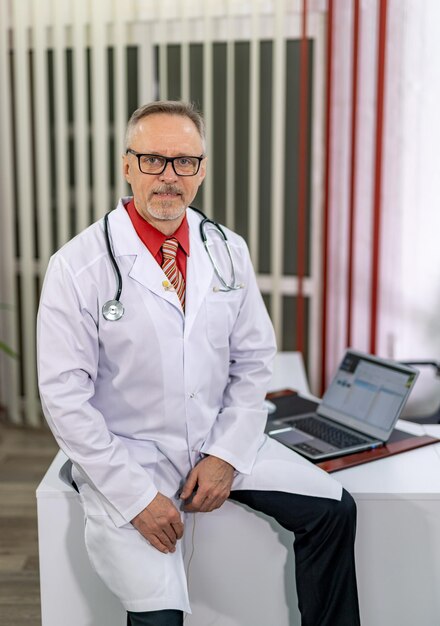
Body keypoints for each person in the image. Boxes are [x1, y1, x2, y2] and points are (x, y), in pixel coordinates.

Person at [37, 100, 360, 626]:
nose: (169, 177)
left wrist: (227, 454)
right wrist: (136, 497)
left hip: (216, 438)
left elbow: (254, 361)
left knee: (334, 511)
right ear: (127, 165)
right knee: (160, 616)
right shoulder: (78, 266)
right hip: (128, 456)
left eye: (184, 161)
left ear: (202, 169)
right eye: (153, 160)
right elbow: (64, 399)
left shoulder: (228, 249)